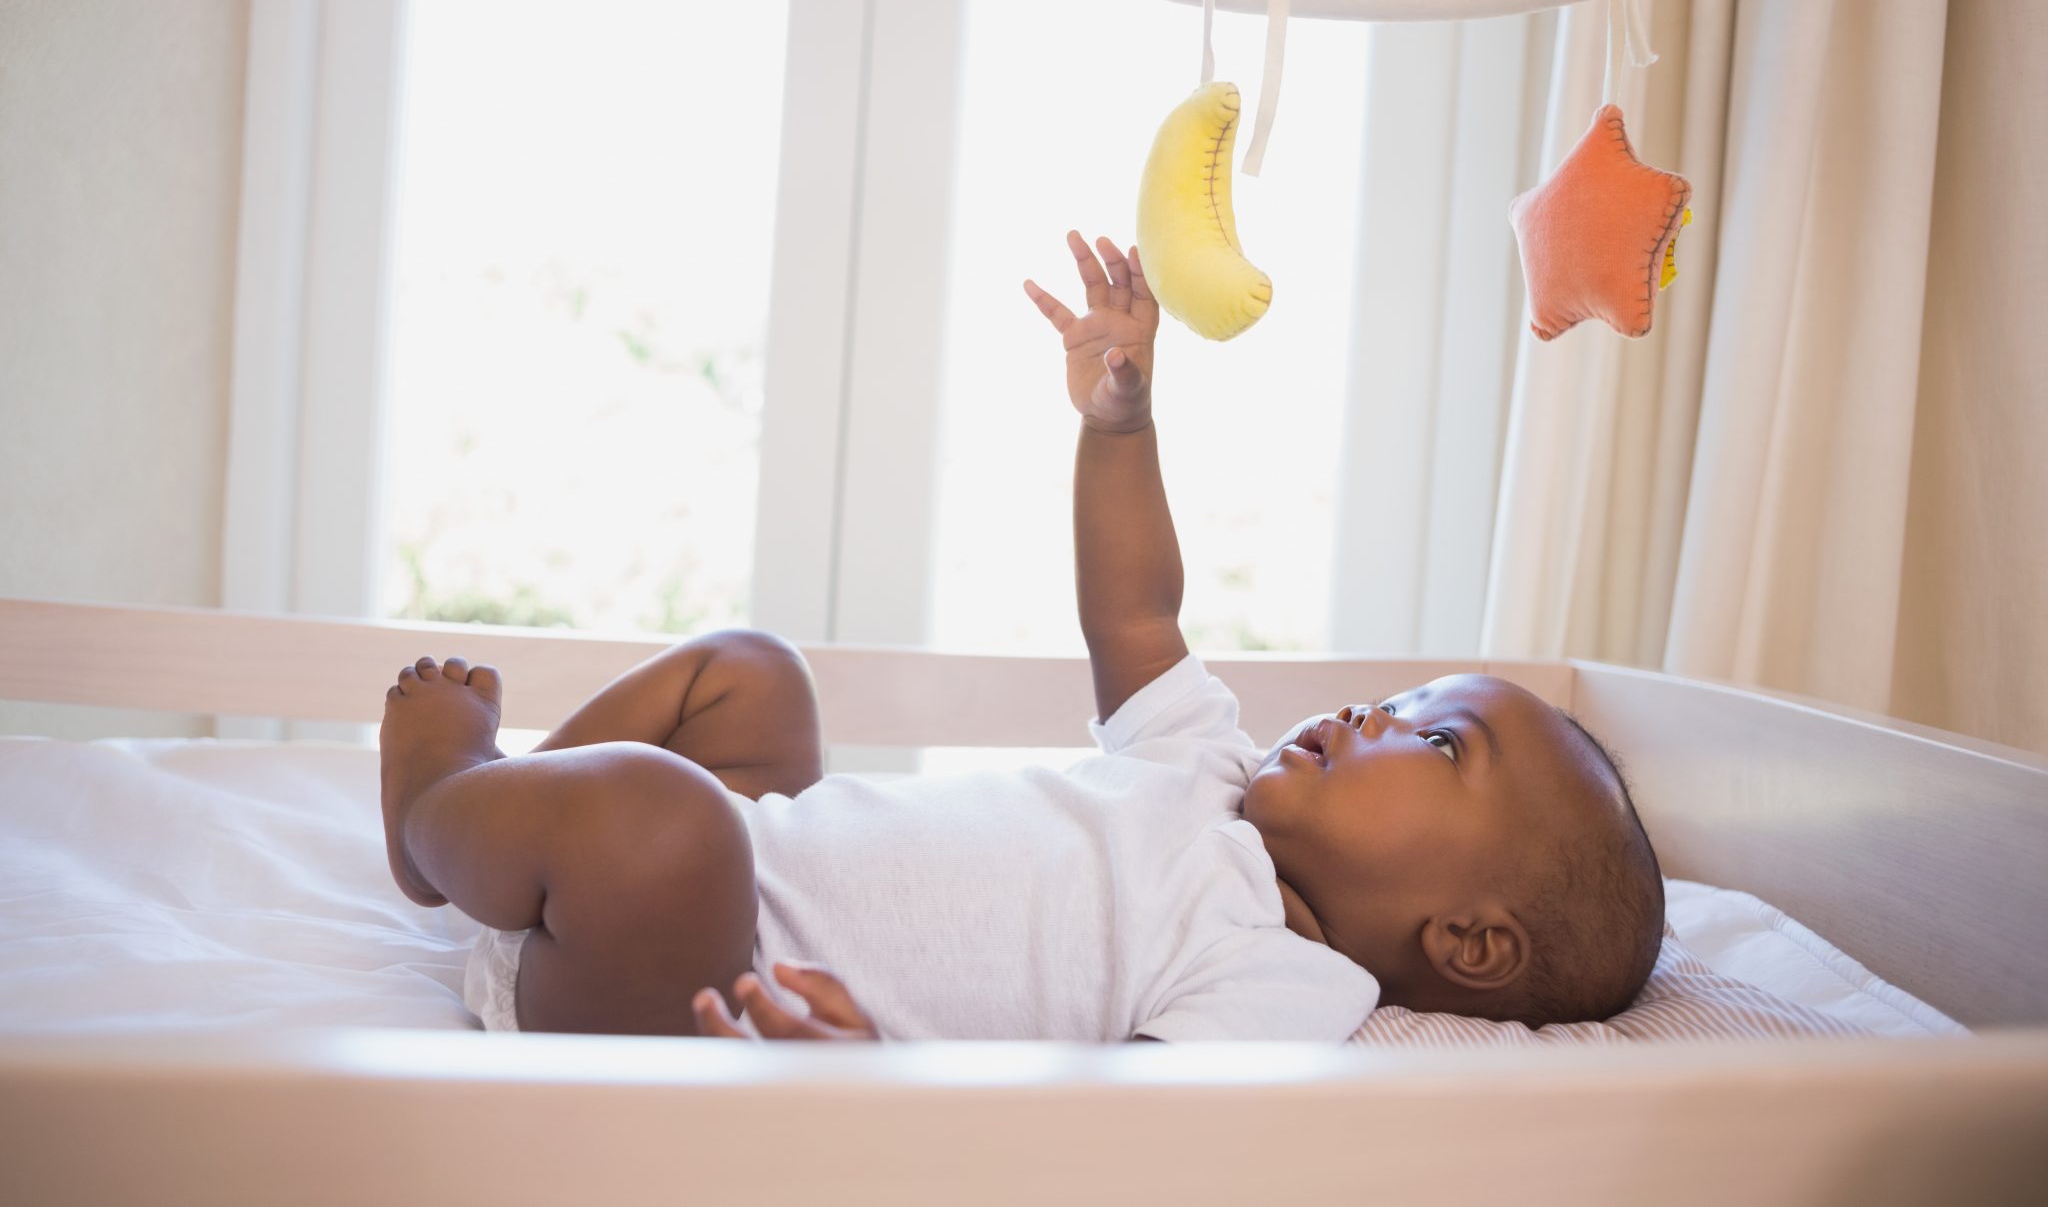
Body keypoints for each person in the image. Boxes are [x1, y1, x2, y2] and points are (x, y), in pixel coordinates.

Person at [378, 230, 1665, 1041]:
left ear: (1471, 943)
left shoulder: (1285, 989)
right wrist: (1118, 429)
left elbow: (1097, 1149)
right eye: (1400, 698)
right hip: (754, 854)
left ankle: (446, 809)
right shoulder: (1203, 771)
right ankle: (506, 839)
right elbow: (1136, 612)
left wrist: (861, 1080)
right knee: (750, 673)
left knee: (665, 828)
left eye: (1435, 744)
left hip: (684, 985)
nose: (1369, 714)